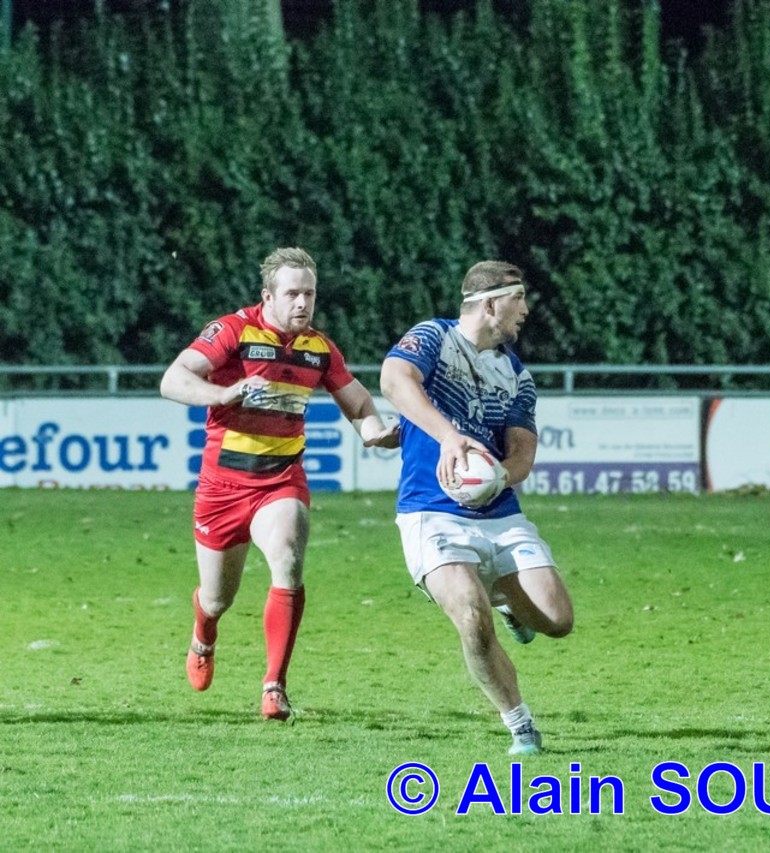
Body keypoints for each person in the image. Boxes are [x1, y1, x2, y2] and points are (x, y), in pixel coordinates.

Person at [160, 247, 398, 721]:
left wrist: (374, 431)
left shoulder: (319, 349)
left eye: (309, 293)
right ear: (267, 296)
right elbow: (173, 380)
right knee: (217, 597)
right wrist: (223, 392)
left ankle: (274, 687)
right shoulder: (233, 331)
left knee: (288, 557)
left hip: (280, 480)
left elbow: (357, 401)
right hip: (222, 487)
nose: (303, 303)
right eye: (292, 294)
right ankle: (204, 632)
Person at [380, 260, 573, 755]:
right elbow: (395, 380)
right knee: (470, 613)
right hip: (431, 511)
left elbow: (522, 453)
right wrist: (449, 437)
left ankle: (507, 603)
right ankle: (520, 725)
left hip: (499, 514)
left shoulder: (516, 374)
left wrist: (498, 476)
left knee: (557, 620)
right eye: (519, 299)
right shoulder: (434, 337)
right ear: (490, 304)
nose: (525, 310)